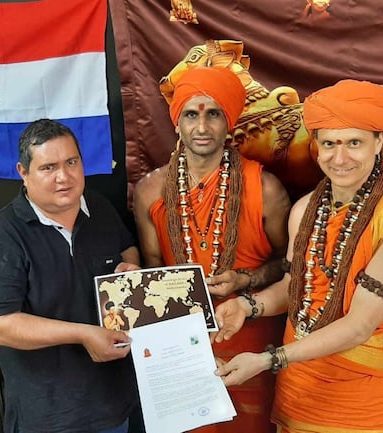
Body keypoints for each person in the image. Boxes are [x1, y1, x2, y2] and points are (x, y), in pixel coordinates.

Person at [213, 79, 383, 433]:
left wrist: (269, 360)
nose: (339, 158)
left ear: (378, 142)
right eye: (329, 143)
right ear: (316, 146)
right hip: (301, 387)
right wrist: (248, 306)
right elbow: (295, 287)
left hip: (367, 399)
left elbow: (359, 326)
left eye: (354, 143)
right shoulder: (304, 210)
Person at [133, 66, 291, 433]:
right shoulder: (150, 192)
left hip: (252, 338)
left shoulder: (265, 188)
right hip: (181, 346)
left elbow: (288, 266)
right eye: (191, 113)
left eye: (213, 113)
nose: (201, 127)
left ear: (229, 122)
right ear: (177, 123)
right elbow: (152, 270)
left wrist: (244, 279)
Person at [0, 119, 141, 433]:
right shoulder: (2, 237)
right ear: (23, 172)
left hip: (116, 406)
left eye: (71, 162)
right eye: (48, 167)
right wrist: (83, 334)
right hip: (51, 416)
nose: (64, 177)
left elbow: (126, 246)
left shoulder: (98, 208)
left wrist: (128, 271)